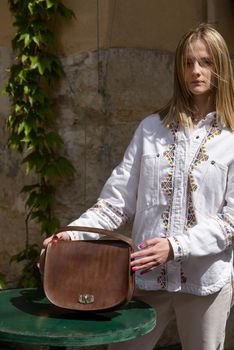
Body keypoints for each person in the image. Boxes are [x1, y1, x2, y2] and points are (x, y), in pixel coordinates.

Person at [43, 23, 234, 350]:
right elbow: (115, 203)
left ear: (221, 67)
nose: (196, 71)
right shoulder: (151, 129)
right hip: (143, 278)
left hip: (205, 282)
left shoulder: (231, 139)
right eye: (188, 63)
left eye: (206, 62)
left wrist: (175, 246)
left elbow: (231, 220)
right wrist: (72, 233)